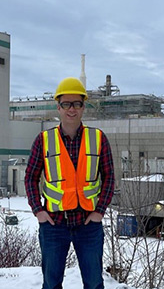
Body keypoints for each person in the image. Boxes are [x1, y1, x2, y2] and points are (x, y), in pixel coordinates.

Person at [25, 77, 115, 289]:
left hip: (88, 224)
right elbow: (30, 177)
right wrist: (38, 211)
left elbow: (109, 177)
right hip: (54, 224)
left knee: (94, 283)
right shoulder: (43, 140)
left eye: (77, 104)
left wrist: (99, 211)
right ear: (58, 107)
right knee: (52, 283)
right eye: (66, 104)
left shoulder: (98, 138)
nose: (71, 109)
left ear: (84, 107)